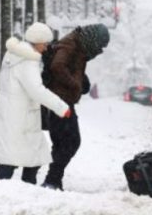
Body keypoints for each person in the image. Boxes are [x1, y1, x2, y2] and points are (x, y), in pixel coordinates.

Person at [0, 23, 71, 184]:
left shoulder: (14, 54)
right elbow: (36, 90)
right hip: (19, 118)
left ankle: (25, 191)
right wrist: (61, 107)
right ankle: (5, 194)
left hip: (10, 114)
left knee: (28, 158)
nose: (46, 48)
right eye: (45, 44)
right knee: (11, 161)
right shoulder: (28, 61)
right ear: (37, 42)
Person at [42, 23, 109, 190]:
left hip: (62, 100)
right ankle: (52, 180)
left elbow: (70, 65)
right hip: (59, 101)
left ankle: (54, 180)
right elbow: (57, 66)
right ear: (93, 39)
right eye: (99, 45)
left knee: (63, 142)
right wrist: (75, 85)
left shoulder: (78, 45)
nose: (99, 50)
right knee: (71, 141)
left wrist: (81, 80)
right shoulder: (70, 44)